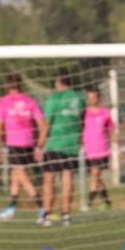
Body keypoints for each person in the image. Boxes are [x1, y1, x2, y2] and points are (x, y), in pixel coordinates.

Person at [0, 72, 44, 223]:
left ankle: (42, 208)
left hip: (14, 143)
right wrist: (39, 145)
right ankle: (11, 208)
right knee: (16, 174)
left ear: (7, 85)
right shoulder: (30, 101)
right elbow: (41, 124)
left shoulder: (3, 102)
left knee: (21, 175)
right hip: (29, 143)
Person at [40, 70, 86, 227]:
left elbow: (46, 123)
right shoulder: (79, 98)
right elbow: (82, 120)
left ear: (58, 82)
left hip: (55, 143)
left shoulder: (55, 98)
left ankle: (46, 214)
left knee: (49, 178)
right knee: (68, 178)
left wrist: (40, 144)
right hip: (72, 144)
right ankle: (66, 214)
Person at [83, 87, 116, 210]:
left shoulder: (105, 113)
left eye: (94, 97)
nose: (92, 100)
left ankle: (88, 203)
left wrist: (115, 141)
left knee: (95, 174)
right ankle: (106, 201)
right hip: (88, 150)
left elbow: (111, 129)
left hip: (102, 149)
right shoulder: (84, 113)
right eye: (89, 97)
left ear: (99, 98)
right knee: (95, 176)